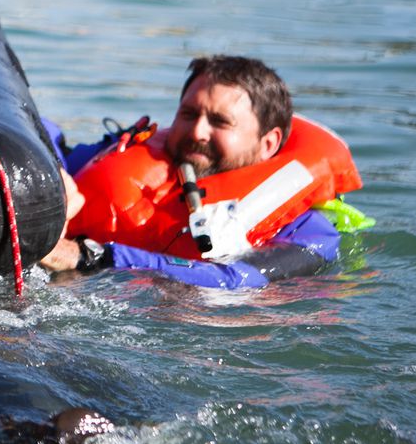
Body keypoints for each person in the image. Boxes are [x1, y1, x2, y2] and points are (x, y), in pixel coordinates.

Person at [40, 55, 366, 286]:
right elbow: (46, 134)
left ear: (269, 143)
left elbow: (239, 279)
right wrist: (51, 167)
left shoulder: (310, 235)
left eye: (220, 122)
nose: (198, 132)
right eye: (189, 114)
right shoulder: (124, 157)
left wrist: (91, 258)